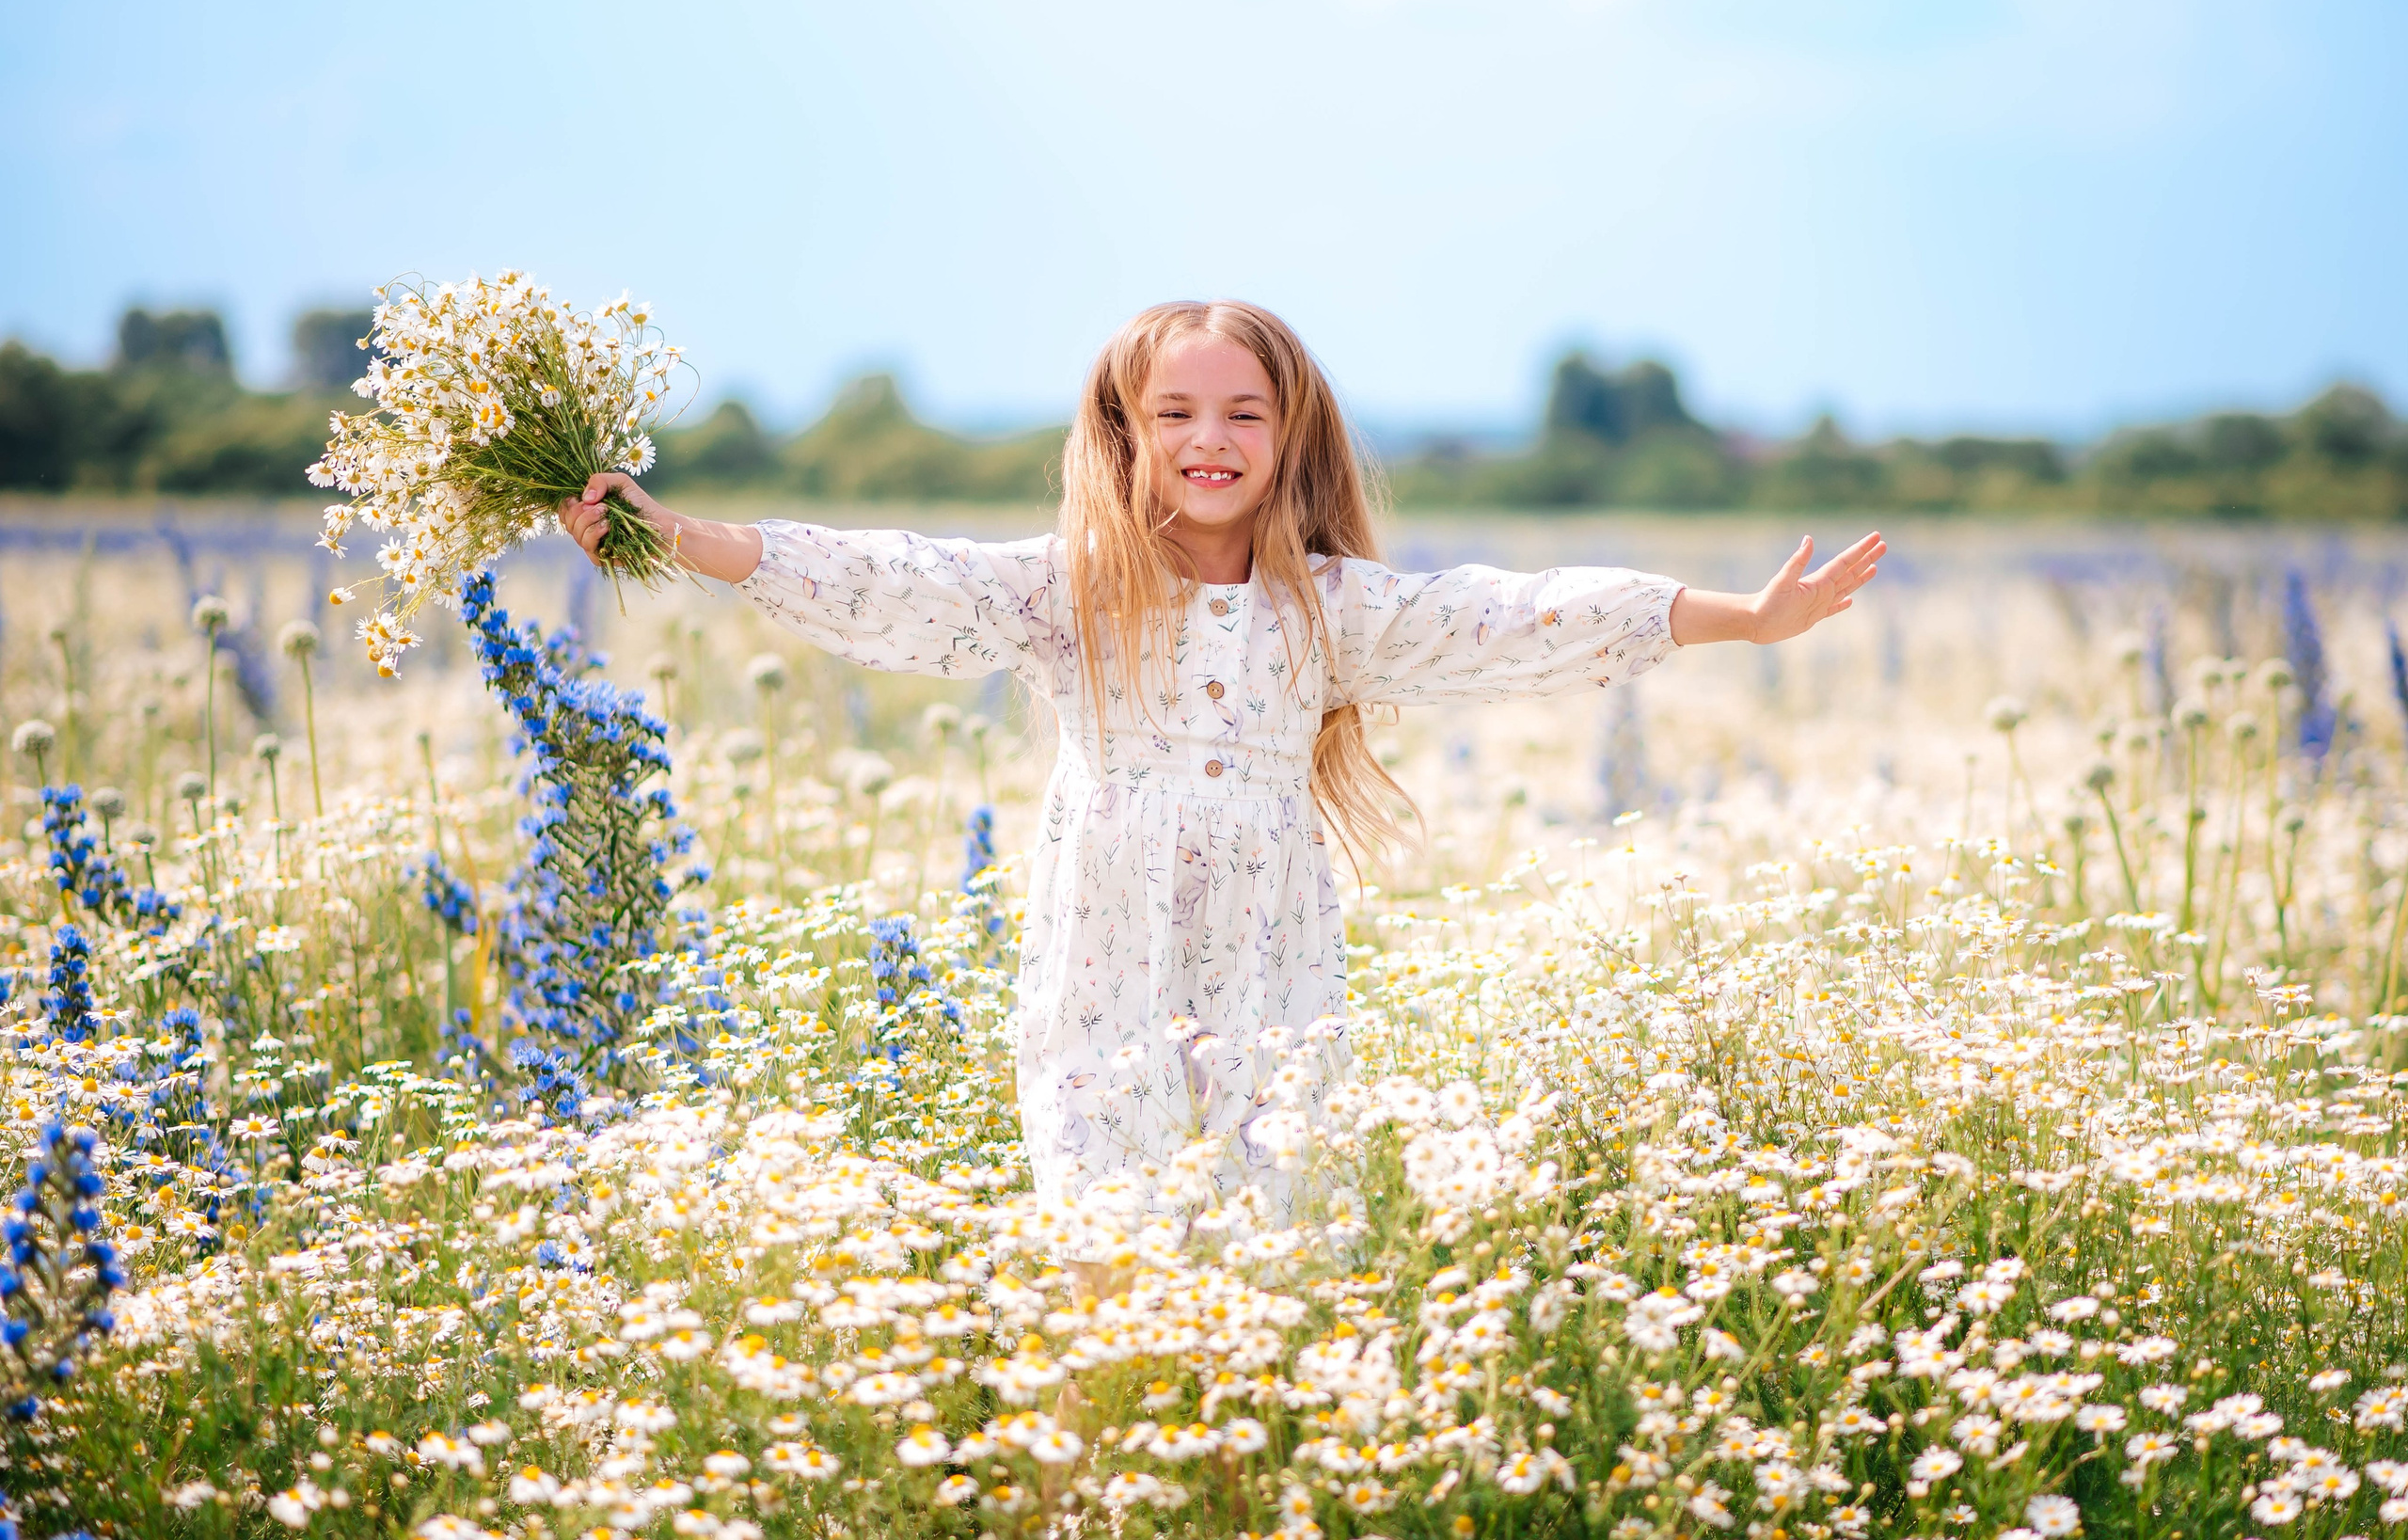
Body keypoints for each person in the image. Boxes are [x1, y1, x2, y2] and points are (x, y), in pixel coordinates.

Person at [560, 299, 1883, 1211]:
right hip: (1104, 959)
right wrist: (674, 532)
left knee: (1268, 1230)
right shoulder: (1064, 591)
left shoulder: (1329, 605)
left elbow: (1516, 614)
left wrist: (1742, 621)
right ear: (1125, 434)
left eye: (1245, 414)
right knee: (1104, 1236)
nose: (1210, 440)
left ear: (1287, 438)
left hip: (1269, 957)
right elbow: (887, 579)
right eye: (1177, 412)